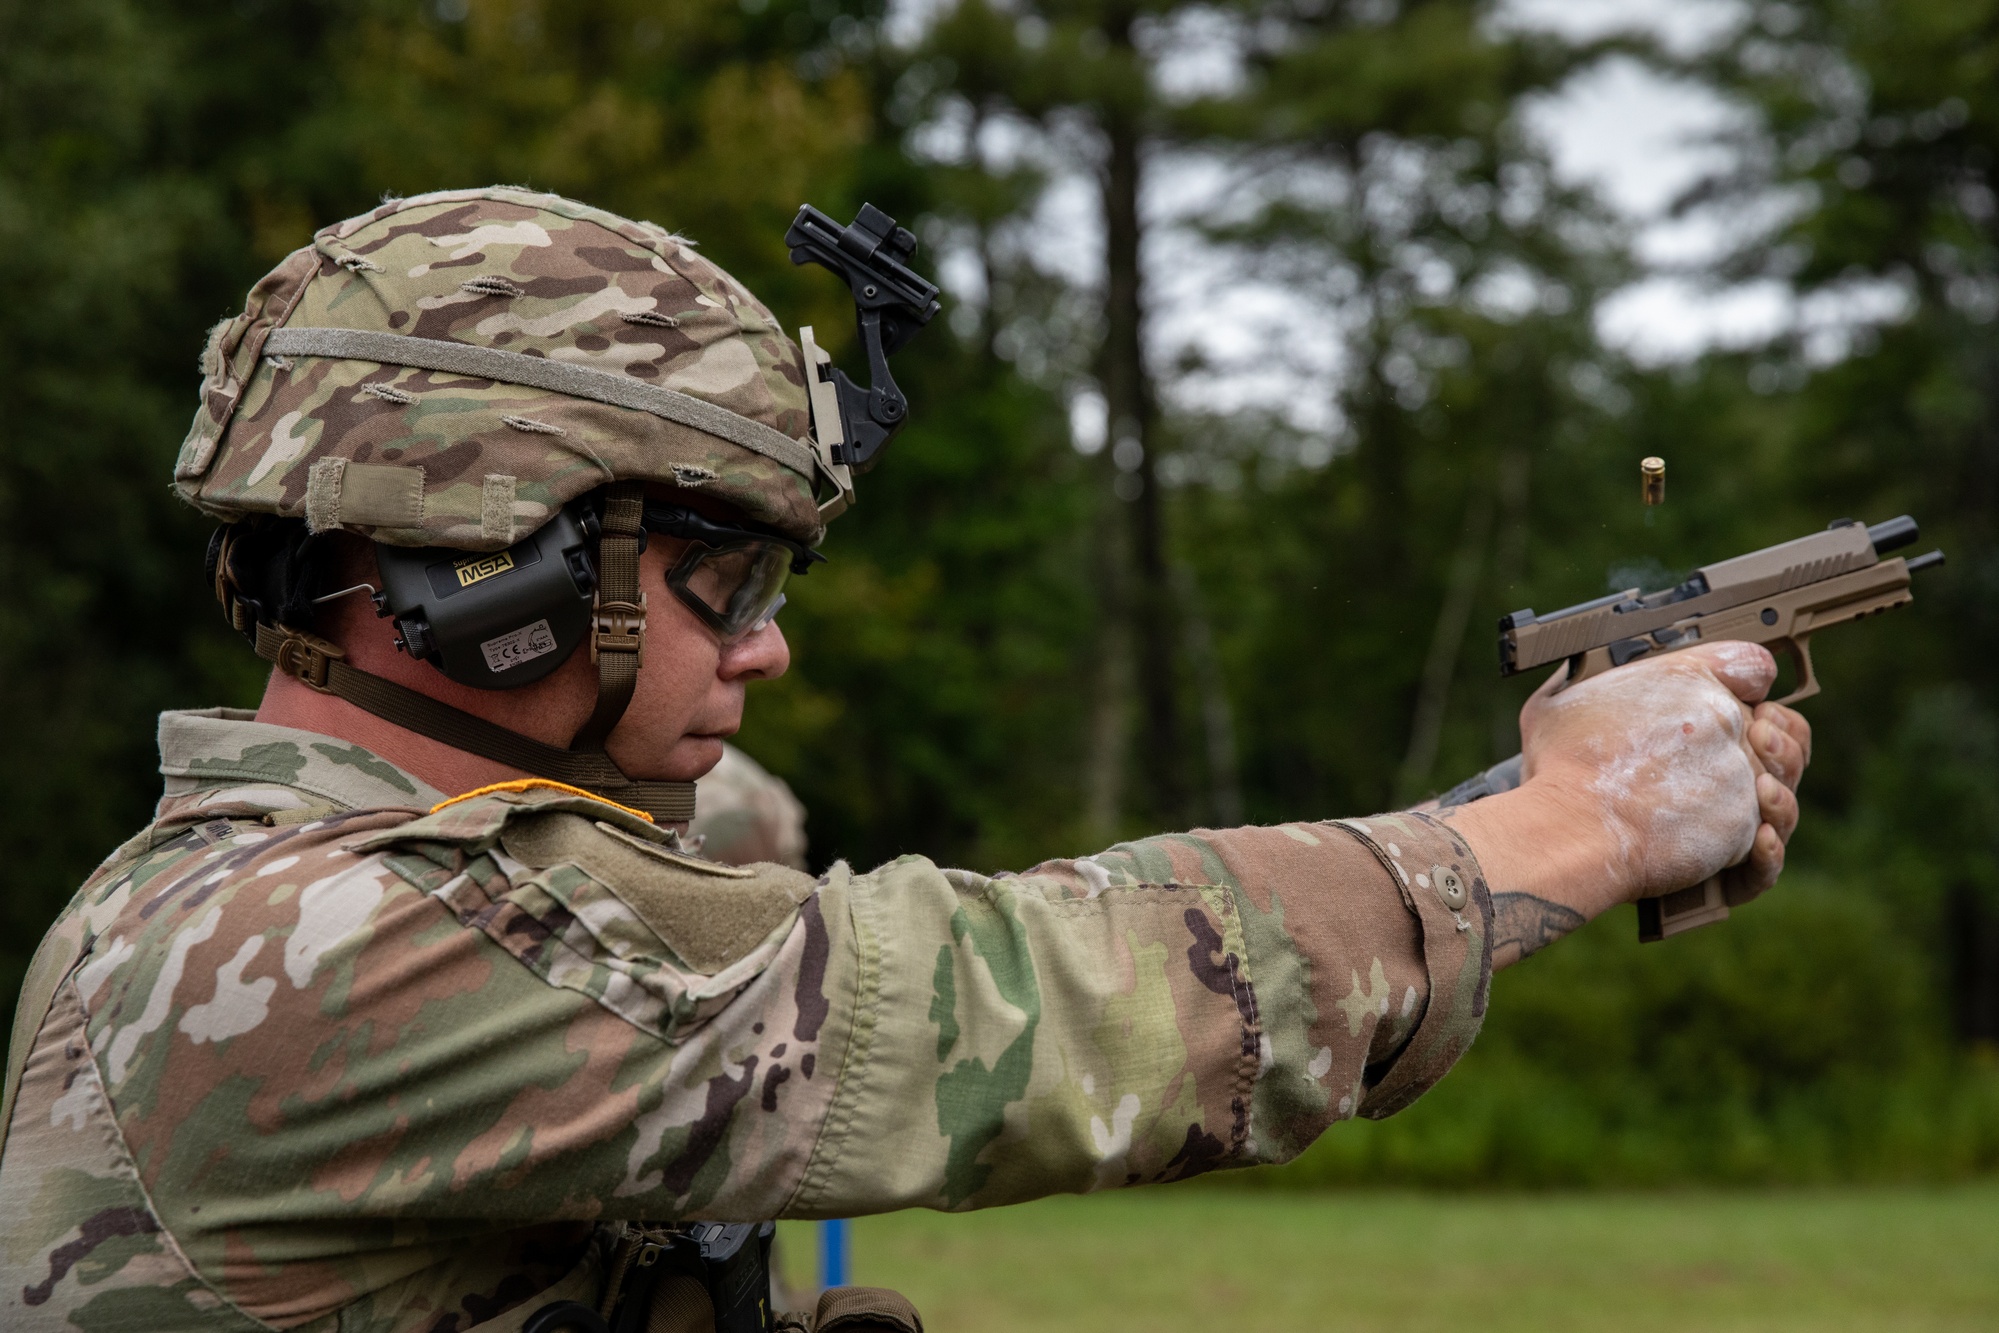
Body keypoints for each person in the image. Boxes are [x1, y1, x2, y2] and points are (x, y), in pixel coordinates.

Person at [0, 188, 1810, 1332]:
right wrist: (1575, 825)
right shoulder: (315, 946)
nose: (767, 642)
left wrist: (1503, 830)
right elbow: (999, 996)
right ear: (495, 574)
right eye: (720, 580)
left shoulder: (333, 890)